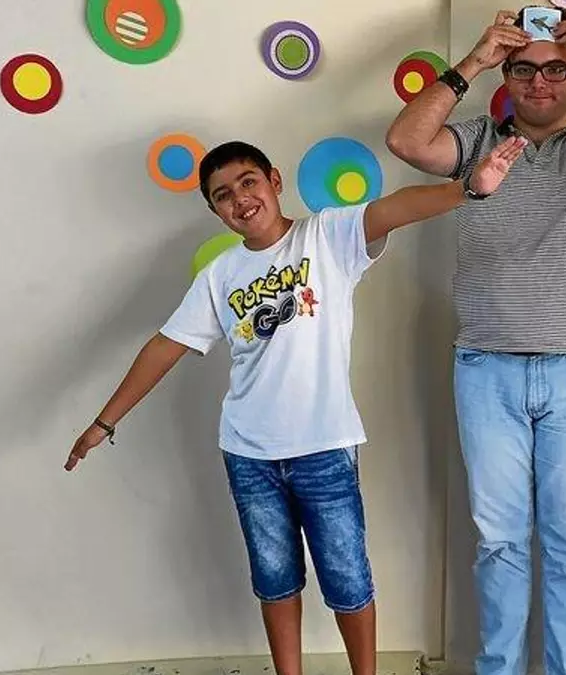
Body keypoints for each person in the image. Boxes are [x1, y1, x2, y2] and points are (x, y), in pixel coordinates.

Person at [62, 136, 526, 675]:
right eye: (223, 195)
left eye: (248, 182)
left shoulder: (326, 237)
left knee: (348, 580)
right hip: (248, 455)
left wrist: (467, 189)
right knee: (275, 581)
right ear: (215, 211)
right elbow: (166, 346)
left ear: (275, 181)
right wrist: (104, 422)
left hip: (324, 449)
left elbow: (393, 210)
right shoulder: (220, 275)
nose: (240, 199)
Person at [385, 6, 566, 675]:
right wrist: (475, 59)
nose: (538, 82)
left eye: (553, 70)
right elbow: (406, 141)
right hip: (485, 369)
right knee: (499, 543)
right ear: (506, 75)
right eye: (522, 69)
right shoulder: (477, 140)